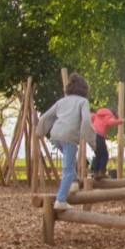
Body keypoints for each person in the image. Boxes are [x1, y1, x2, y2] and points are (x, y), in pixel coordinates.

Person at [35, 73, 97, 210]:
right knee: (68, 170)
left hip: (55, 135)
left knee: (71, 161)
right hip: (69, 136)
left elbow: (45, 117)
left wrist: (39, 132)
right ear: (85, 89)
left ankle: (73, 182)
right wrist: (92, 142)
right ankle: (60, 199)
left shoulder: (62, 101)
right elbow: (86, 123)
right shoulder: (83, 102)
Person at [91, 108, 125, 179]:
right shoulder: (109, 116)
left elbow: (92, 118)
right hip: (99, 136)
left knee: (98, 155)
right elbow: (111, 122)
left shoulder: (98, 115)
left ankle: (96, 173)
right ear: (114, 115)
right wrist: (122, 120)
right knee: (105, 155)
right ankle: (101, 172)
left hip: (93, 136)